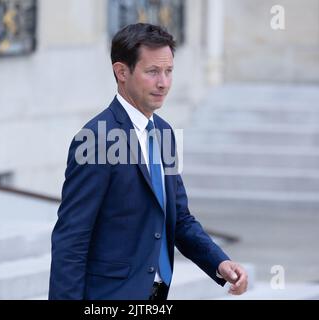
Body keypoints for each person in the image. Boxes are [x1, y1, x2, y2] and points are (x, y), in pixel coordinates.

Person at [48, 23, 248, 300]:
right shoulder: (96, 138)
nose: (163, 83)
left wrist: (218, 263)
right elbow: (72, 239)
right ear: (121, 72)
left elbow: (180, 220)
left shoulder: (165, 133)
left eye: (168, 71)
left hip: (156, 293)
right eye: (152, 72)